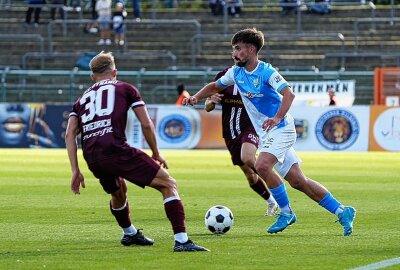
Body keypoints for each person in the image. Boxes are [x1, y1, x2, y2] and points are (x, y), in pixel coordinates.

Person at [183, 28, 356, 236]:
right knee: (299, 182)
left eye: (238, 49)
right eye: (233, 49)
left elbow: (288, 94)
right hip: (268, 133)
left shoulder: (267, 72)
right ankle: (342, 211)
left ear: (251, 49)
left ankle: (286, 212)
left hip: (281, 129)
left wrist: (277, 118)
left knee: (261, 165)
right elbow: (214, 86)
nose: (234, 53)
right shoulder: (235, 72)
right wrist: (195, 98)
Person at [65, 51, 208, 252]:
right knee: (168, 184)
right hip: (115, 148)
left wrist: (75, 170)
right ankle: (182, 240)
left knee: (118, 193)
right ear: (114, 72)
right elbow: (146, 123)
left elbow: (70, 134)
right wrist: (156, 152)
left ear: (92, 76)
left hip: (92, 156)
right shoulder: (125, 88)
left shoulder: (81, 100)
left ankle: (129, 233)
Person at [204, 68, 278, 217]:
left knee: (248, 158)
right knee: (250, 175)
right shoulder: (223, 76)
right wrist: (212, 101)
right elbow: (208, 107)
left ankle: (279, 188)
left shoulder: (257, 76)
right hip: (230, 132)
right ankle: (272, 202)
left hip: (251, 127)